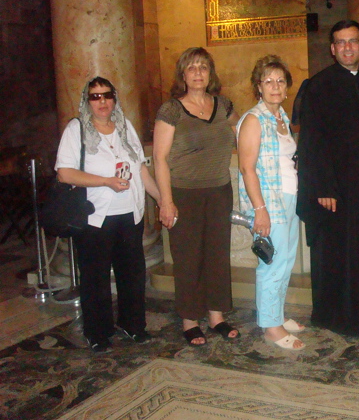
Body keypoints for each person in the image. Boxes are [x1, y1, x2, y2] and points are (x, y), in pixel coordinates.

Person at [55, 77, 162, 353]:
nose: (101, 101)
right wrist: (106, 181)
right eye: (95, 96)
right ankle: (98, 332)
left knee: (133, 274)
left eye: (106, 95)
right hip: (95, 217)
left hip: (129, 214)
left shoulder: (125, 127)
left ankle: (133, 324)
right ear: (87, 101)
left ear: (114, 98)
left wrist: (163, 199)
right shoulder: (76, 129)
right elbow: (65, 173)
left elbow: (141, 169)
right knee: (96, 277)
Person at [296, 20, 359, 337]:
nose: (347, 47)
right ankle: (336, 316)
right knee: (335, 253)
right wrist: (323, 187)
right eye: (341, 42)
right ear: (332, 49)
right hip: (334, 189)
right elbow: (312, 143)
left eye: (353, 41)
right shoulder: (318, 85)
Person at [154, 47, 240, 346]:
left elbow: (244, 133)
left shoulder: (224, 105)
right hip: (184, 194)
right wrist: (166, 200)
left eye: (203, 67)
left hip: (219, 191)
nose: (198, 73)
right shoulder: (171, 110)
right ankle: (190, 320)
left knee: (218, 254)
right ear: (183, 74)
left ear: (211, 72)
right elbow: (160, 158)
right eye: (191, 68)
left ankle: (216, 316)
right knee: (188, 258)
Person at [237, 55, 305, 351]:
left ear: (287, 87)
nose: (275, 86)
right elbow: (246, 168)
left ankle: (275, 315)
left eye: (280, 80)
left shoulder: (282, 117)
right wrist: (259, 210)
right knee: (272, 264)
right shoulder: (254, 119)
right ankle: (270, 327)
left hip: (288, 197)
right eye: (268, 81)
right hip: (268, 203)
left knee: (285, 260)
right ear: (258, 87)